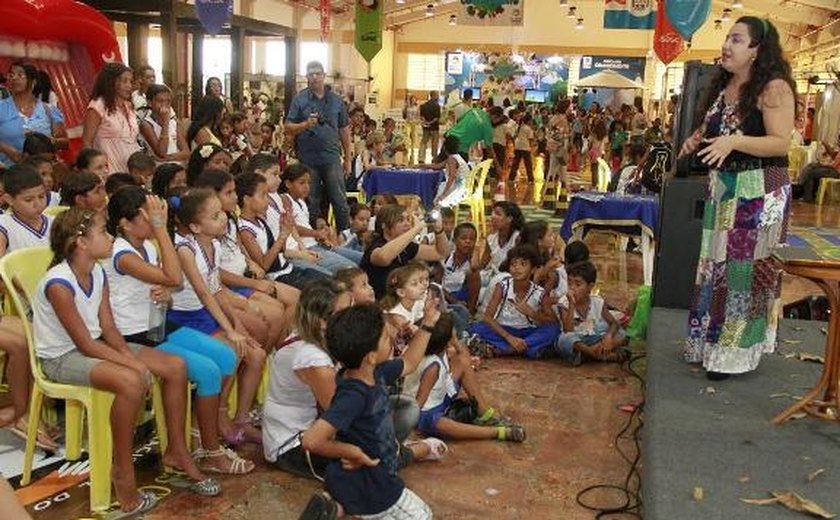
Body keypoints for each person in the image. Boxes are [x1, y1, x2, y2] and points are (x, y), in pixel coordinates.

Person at [33, 208, 193, 515]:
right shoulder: (59, 284)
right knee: (132, 382)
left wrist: (127, 356)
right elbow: (82, 343)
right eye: (103, 232)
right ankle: (122, 469)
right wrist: (131, 365)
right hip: (62, 357)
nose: (109, 237)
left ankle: (176, 449)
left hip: (98, 345)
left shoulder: (96, 270)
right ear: (80, 242)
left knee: (174, 366)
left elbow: (108, 329)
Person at [679, 16, 796, 378]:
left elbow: (780, 142)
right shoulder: (725, 85)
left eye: (737, 39)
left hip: (759, 191)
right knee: (716, 268)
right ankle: (711, 342)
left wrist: (735, 142)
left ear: (757, 50)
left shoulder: (774, 88)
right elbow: (714, 125)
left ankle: (735, 353)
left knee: (743, 274)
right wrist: (695, 139)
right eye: (727, 37)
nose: (727, 45)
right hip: (725, 192)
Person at [105, 186, 234, 486]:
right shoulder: (120, 253)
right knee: (207, 370)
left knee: (226, 355)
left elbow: (170, 280)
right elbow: (175, 276)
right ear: (125, 223)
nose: (155, 217)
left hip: (157, 327)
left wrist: (165, 288)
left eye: (157, 212)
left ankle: (203, 432)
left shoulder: (148, 247)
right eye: (147, 214)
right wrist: (162, 231)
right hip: (133, 335)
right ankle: (202, 450)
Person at [302, 302, 441, 520]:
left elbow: (409, 362)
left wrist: (428, 324)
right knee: (423, 516)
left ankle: (331, 510)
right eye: (386, 338)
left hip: (352, 478)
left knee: (351, 505)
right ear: (371, 356)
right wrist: (352, 452)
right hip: (370, 481)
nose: (392, 339)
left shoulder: (373, 372)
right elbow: (311, 440)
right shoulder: (354, 395)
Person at [168, 188, 267, 445]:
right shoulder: (185, 250)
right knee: (234, 350)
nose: (223, 219)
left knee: (257, 355)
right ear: (195, 227)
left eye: (221, 213)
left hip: (207, 314)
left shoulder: (213, 245)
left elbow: (218, 292)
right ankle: (218, 415)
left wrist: (237, 325)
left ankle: (242, 418)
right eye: (214, 217)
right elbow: (203, 294)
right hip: (185, 319)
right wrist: (232, 331)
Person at [262, 280, 352, 477]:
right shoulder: (311, 356)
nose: (351, 317)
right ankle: (415, 450)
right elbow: (339, 412)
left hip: (315, 429)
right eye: (344, 312)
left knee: (399, 410)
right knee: (372, 456)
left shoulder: (315, 336)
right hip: (292, 444)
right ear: (322, 321)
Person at [406, 313, 525, 442]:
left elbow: (463, 354)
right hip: (427, 411)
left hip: (440, 397)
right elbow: (419, 403)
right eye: (453, 334)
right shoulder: (432, 366)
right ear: (446, 341)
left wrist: (456, 343)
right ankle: (496, 432)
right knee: (442, 425)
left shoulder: (441, 351)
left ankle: (483, 411)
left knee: (462, 359)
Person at [284, 61, 353, 231]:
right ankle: (314, 237)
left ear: (324, 75)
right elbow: (288, 127)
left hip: (332, 158)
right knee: (311, 201)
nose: (314, 77)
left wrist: (348, 159)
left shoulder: (337, 101)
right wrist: (305, 125)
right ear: (306, 77)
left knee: (339, 200)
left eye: (317, 73)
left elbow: (344, 130)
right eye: (310, 74)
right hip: (308, 160)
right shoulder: (300, 99)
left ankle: (345, 236)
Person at [469, 244, 561, 359]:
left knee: (553, 329)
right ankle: (527, 349)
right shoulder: (502, 287)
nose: (517, 268)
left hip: (527, 332)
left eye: (523, 264)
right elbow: (488, 317)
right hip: (503, 329)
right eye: (513, 264)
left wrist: (532, 313)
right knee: (477, 327)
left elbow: (553, 320)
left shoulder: (539, 293)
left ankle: (506, 350)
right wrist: (509, 337)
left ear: (532, 269)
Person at [279, 163, 360, 273]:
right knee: (350, 268)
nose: (307, 187)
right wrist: (316, 233)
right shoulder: (285, 199)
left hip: (316, 244)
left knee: (361, 258)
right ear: (288, 184)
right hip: (307, 248)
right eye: (301, 183)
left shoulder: (302, 202)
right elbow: (292, 227)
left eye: (309, 183)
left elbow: (305, 224)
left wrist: (321, 235)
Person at [362, 203, 449, 299]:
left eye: (408, 219)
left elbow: (440, 253)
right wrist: (417, 228)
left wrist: (439, 230)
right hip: (381, 305)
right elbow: (384, 258)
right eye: (400, 220)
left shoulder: (406, 247)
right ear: (384, 225)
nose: (407, 224)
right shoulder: (376, 245)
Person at [554, 261, 628, 364]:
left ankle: (590, 353)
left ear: (590, 286)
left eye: (578, 284)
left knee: (622, 333)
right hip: (577, 341)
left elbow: (613, 323)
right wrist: (571, 304)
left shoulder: (597, 301)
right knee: (564, 339)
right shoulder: (564, 302)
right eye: (569, 283)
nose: (572, 288)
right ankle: (594, 354)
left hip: (594, 338)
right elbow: (568, 330)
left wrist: (608, 337)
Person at [0, 62, 68, 167]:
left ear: (33, 82)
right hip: (9, 173)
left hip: (42, 174)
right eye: (11, 75)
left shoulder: (48, 110)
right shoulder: (1, 108)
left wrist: (49, 141)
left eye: (20, 75)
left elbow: (64, 142)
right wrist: (7, 150)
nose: (14, 78)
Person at [82, 63, 141, 174]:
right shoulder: (97, 105)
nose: (129, 86)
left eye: (130, 81)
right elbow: (87, 143)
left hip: (131, 170)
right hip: (109, 171)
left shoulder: (129, 106)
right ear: (110, 82)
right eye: (124, 81)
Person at [0, 164, 52, 257]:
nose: (38, 204)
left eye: (41, 196)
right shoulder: (4, 225)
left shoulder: (56, 223)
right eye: (28, 200)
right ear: (9, 199)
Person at [139, 84, 190, 165]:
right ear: (150, 103)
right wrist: (165, 123)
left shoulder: (174, 123)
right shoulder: (146, 124)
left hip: (176, 166)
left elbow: (186, 152)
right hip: (159, 169)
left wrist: (168, 158)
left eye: (168, 101)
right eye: (160, 101)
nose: (164, 105)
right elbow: (161, 152)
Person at [432, 135, 471, 208]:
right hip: (464, 188)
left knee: (438, 200)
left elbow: (452, 177)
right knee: (442, 186)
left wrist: (444, 195)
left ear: (444, 147)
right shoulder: (456, 157)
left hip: (458, 190)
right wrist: (418, 166)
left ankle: (440, 213)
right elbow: (437, 166)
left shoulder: (452, 159)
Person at [509, 112, 535, 183]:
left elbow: (513, 136)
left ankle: (511, 178)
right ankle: (530, 179)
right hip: (525, 147)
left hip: (517, 146)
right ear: (529, 121)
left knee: (515, 163)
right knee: (528, 164)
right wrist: (532, 148)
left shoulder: (518, 127)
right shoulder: (528, 129)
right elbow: (531, 139)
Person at [419, 90, 441, 164]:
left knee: (423, 142)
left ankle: (421, 157)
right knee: (434, 144)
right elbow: (436, 118)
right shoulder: (437, 106)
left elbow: (422, 117)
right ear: (434, 96)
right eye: (437, 95)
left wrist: (426, 122)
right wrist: (430, 123)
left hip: (426, 127)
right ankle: (434, 158)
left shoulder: (423, 105)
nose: (438, 96)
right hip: (434, 128)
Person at [403, 95, 421, 164]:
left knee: (414, 137)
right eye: (412, 99)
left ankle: (413, 150)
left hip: (414, 123)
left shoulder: (417, 107)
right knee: (407, 135)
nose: (413, 101)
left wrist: (417, 121)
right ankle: (407, 148)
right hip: (408, 123)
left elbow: (418, 116)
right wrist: (405, 106)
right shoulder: (407, 107)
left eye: (414, 99)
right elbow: (404, 115)